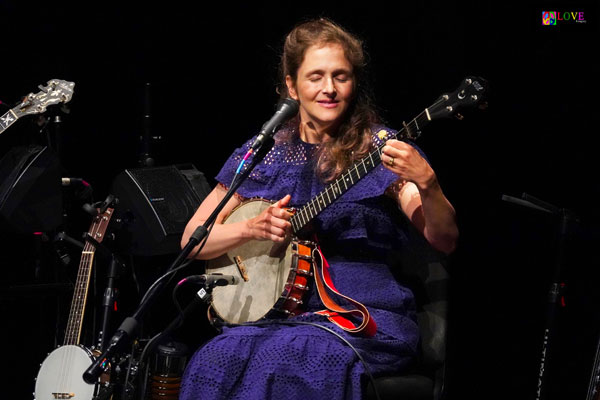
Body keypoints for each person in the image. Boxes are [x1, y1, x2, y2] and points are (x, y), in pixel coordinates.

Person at [179, 18, 458, 400]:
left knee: (287, 356)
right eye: (316, 77)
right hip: (274, 319)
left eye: (340, 76)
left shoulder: (380, 149)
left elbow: (443, 239)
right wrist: (252, 229)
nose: (329, 88)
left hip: (361, 316)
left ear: (354, 83)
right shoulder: (261, 154)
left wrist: (428, 184)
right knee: (214, 359)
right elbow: (192, 242)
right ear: (291, 86)